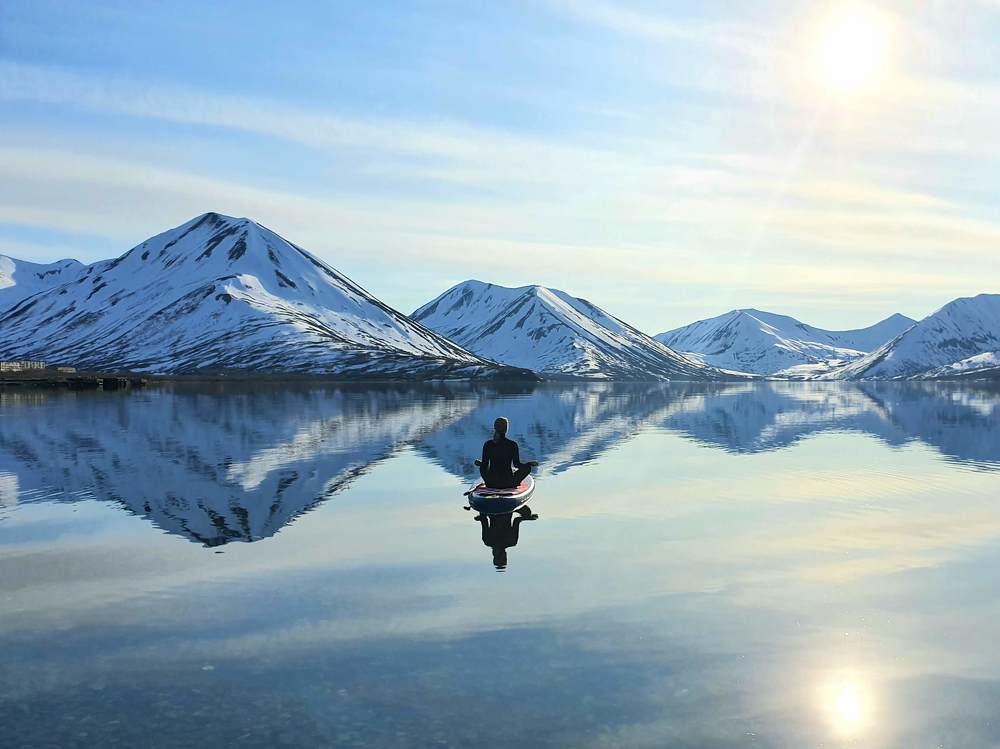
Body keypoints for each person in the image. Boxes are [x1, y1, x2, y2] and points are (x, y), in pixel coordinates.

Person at [477, 417, 538, 489]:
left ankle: (489, 482)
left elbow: (484, 465)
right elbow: (516, 464)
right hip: (508, 482)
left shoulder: (488, 444)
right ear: (506, 429)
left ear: (494, 427)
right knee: (527, 468)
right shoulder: (512, 444)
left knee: (482, 467)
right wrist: (529, 464)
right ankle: (515, 483)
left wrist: (479, 463)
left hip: (491, 483)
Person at [474, 506, 538, 571]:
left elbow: (517, 520)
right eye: (503, 558)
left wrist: (529, 518)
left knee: (527, 513)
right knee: (527, 512)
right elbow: (484, 520)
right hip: (503, 509)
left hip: (505, 509)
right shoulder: (488, 541)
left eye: (499, 557)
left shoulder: (511, 542)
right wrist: (529, 517)